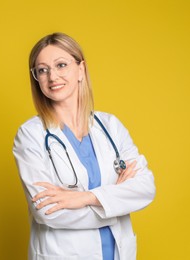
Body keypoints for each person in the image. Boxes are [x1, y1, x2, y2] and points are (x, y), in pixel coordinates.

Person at [13, 32, 156, 260]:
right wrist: (116, 203)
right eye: (42, 70)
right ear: (36, 79)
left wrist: (85, 198)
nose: (52, 76)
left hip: (118, 253)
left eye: (61, 65)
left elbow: (146, 187)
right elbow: (48, 212)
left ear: (81, 70)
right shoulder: (30, 135)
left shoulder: (110, 126)